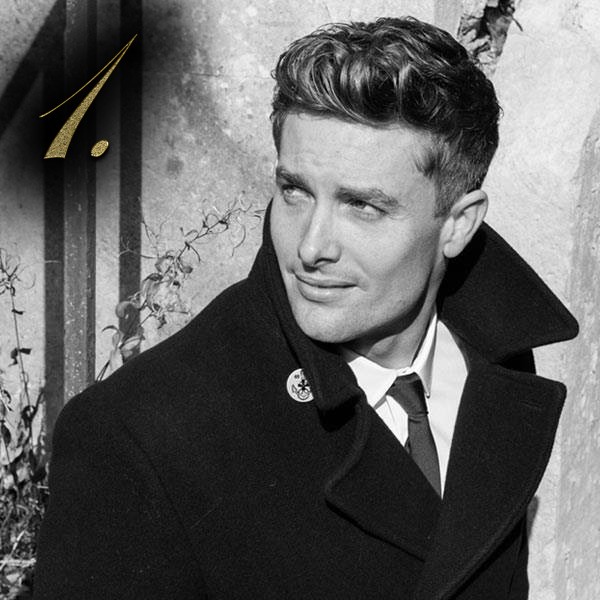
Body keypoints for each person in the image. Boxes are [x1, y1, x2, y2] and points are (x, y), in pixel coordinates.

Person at [33, 16, 578, 600]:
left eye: (363, 207)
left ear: (460, 223)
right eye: (294, 191)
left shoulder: (497, 363)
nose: (311, 247)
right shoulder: (138, 435)